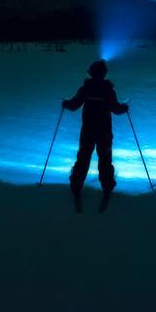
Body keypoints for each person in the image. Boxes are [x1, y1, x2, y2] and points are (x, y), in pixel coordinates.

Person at [61, 59, 129, 212]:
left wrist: (65, 103)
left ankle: (76, 185)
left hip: (87, 131)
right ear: (104, 74)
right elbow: (116, 109)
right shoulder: (108, 90)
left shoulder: (85, 89)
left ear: (91, 73)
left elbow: (74, 105)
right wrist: (124, 107)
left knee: (83, 158)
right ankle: (107, 187)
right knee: (105, 159)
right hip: (104, 132)